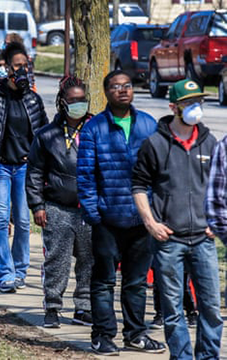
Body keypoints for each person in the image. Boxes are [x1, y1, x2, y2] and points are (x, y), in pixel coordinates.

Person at [76, 70, 164, 355]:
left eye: (127, 86)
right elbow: (86, 176)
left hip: (142, 220)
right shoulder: (94, 129)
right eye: (115, 87)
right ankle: (102, 335)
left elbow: (159, 172)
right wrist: (94, 213)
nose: (122, 91)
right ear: (106, 93)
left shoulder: (149, 125)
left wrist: (154, 213)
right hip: (107, 219)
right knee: (103, 282)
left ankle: (135, 334)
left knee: (137, 282)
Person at [133, 79, 221, 359]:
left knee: (211, 309)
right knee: (173, 311)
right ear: (174, 107)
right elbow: (138, 185)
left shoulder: (210, 141)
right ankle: (181, 356)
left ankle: (208, 356)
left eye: (199, 102)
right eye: (188, 103)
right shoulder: (155, 144)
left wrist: (216, 221)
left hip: (204, 240)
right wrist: (150, 222)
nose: (196, 108)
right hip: (169, 240)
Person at [0, 42, 48, 293]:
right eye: (17, 66)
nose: (22, 70)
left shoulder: (33, 99)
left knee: (24, 222)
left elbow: (45, 134)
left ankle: (21, 270)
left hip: (25, 168)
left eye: (26, 65)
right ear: (7, 68)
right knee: (1, 220)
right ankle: (5, 274)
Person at [26, 76, 93, 328]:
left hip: (89, 209)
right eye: (73, 100)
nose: (79, 104)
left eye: (82, 100)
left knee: (89, 261)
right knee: (58, 260)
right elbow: (34, 172)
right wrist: (37, 205)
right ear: (63, 102)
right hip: (57, 207)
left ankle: (84, 307)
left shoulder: (96, 128)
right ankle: (52, 306)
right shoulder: (47, 135)